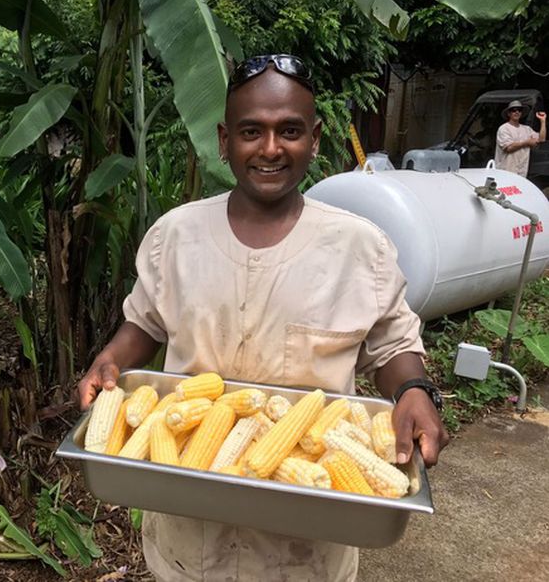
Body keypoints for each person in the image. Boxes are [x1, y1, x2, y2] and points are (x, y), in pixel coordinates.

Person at [77, 54, 449, 581]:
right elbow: (146, 321)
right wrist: (111, 359)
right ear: (224, 140)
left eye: (290, 131)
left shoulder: (358, 247)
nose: (271, 149)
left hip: (310, 548)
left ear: (315, 139)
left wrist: (414, 389)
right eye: (252, 131)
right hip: (188, 540)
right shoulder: (175, 236)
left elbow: (392, 348)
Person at [494, 99, 547, 176]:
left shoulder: (527, 129)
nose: (517, 112)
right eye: (513, 110)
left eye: (519, 110)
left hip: (521, 172)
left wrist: (543, 121)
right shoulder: (504, 128)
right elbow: (509, 148)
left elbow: (542, 139)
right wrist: (527, 142)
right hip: (505, 172)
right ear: (509, 113)